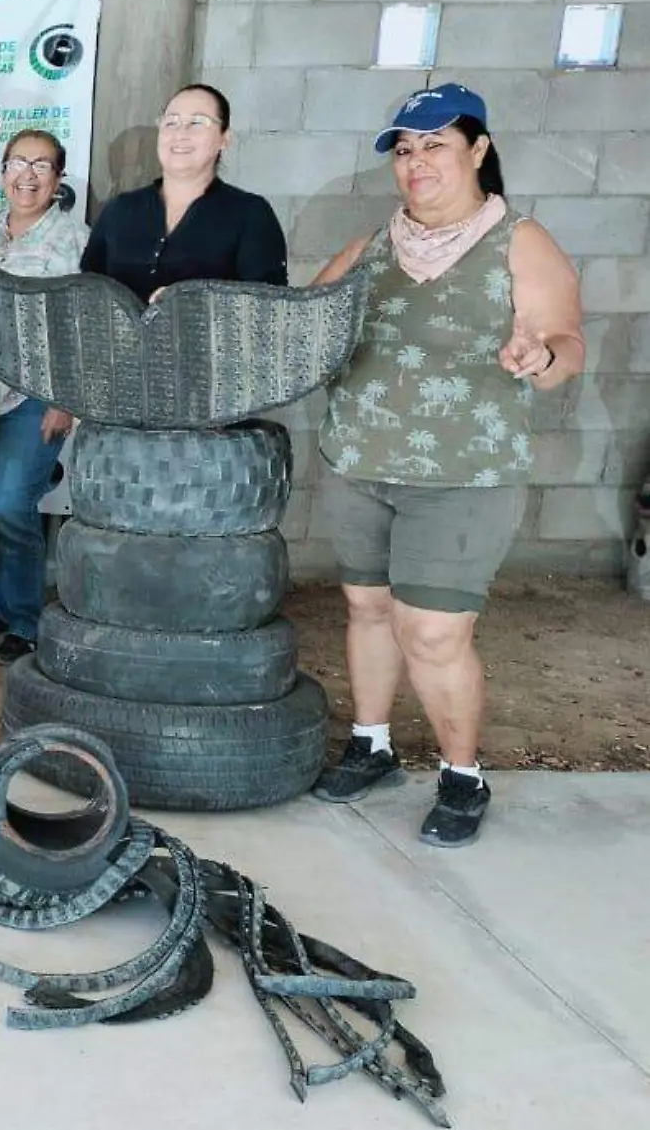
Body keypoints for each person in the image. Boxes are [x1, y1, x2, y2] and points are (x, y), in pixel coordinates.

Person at [305, 84, 585, 849]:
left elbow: (566, 341)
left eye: (435, 145)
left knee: (430, 632)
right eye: (404, 149)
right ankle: (372, 744)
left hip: (463, 476)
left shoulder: (519, 242)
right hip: (358, 460)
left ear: (479, 150)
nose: (417, 163)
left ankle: (463, 774)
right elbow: (301, 320)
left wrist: (543, 354)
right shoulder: (374, 245)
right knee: (366, 610)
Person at [0, 130, 89, 666]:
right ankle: (2, 604)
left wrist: (67, 399)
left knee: (14, 506)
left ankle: (27, 621)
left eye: (41, 166)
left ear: (57, 179)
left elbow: (85, 324)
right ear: (2, 172)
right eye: (17, 163)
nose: (27, 175)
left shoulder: (76, 240)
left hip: (36, 394)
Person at [81, 83, 287, 302]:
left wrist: (192, 305)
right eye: (171, 122)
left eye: (197, 123)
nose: (181, 133)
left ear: (224, 139)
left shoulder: (250, 214)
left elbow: (269, 307)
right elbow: (88, 291)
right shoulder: (119, 210)